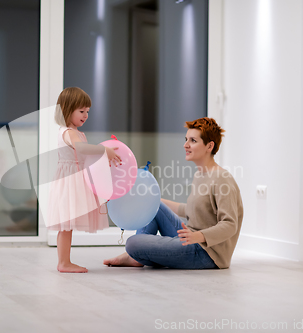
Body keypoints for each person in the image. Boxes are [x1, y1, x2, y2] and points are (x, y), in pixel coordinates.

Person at [104, 117, 243, 269]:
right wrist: (148, 198)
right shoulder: (200, 175)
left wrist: (198, 236)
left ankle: (136, 254)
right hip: (190, 237)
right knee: (153, 204)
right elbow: (189, 210)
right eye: (186, 139)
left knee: (133, 243)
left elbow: (230, 225)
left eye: (193, 141)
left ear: (209, 146)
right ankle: (137, 257)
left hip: (206, 253)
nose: (185, 145)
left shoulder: (222, 179)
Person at [47, 87, 122, 273]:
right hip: (69, 180)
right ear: (67, 109)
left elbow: (85, 156)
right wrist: (104, 150)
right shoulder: (69, 132)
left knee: (68, 225)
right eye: (81, 111)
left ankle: (64, 261)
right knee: (66, 224)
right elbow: (81, 149)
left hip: (74, 178)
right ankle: (63, 263)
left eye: (87, 111)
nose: (86, 115)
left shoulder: (75, 131)